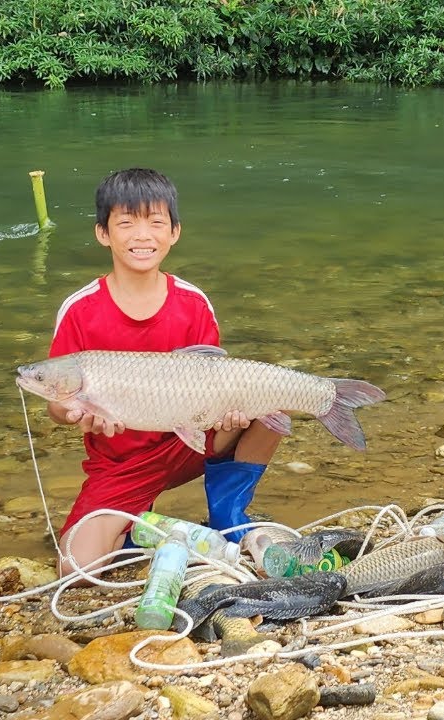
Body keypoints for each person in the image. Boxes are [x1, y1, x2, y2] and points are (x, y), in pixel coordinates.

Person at [46, 168, 281, 579]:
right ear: (103, 233)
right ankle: (144, 530)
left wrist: (227, 412)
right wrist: (73, 414)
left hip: (188, 439)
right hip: (122, 463)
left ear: (174, 232)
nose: (142, 236)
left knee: (269, 404)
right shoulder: (80, 310)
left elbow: (214, 373)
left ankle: (228, 516)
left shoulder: (192, 303)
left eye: (156, 223)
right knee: (75, 570)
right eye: (126, 223)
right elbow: (55, 404)